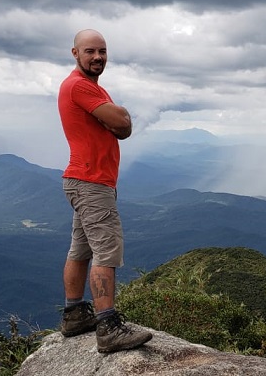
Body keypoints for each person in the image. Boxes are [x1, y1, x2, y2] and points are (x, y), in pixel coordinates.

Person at [57, 29, 152, 353]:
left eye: (102, 51)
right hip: (92, 182)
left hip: (84, 181)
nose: (97, 57)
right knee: (106, 251)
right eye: (90, 52)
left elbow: (120, 128)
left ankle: (73, 315)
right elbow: (123, 122)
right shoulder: (80, 86)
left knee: (81, 249)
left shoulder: (88, 88)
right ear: (75, 53)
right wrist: (118, 116)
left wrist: (117, 121)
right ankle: (108, 326)